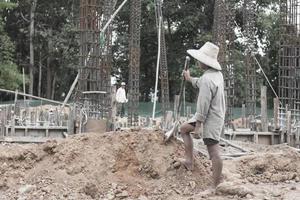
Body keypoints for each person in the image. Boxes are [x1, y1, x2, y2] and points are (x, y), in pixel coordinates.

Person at [180, 42, 225, 188]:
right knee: (184, 129)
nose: (198, 62)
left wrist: (198, 125)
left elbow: (203, 104)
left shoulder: (207, 79)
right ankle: (189, 161)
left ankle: (216, 184)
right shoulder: (215, 75)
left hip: (210, 117)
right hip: (214, 114)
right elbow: (201, 83)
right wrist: (190, 79)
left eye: (200, 60)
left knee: (213, 151)